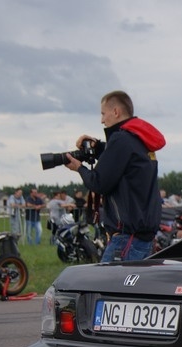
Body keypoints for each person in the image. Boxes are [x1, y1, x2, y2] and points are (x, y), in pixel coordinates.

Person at [65, 90, 165, 262]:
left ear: (116, 112)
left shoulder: (121, 139)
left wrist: (79, 168)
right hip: (142, 237)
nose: (102, 120)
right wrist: (98, 147)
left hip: (127, 238)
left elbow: (99, 183)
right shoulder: (139, 139)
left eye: (103, 114)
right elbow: (122, 161)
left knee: (104, 287)